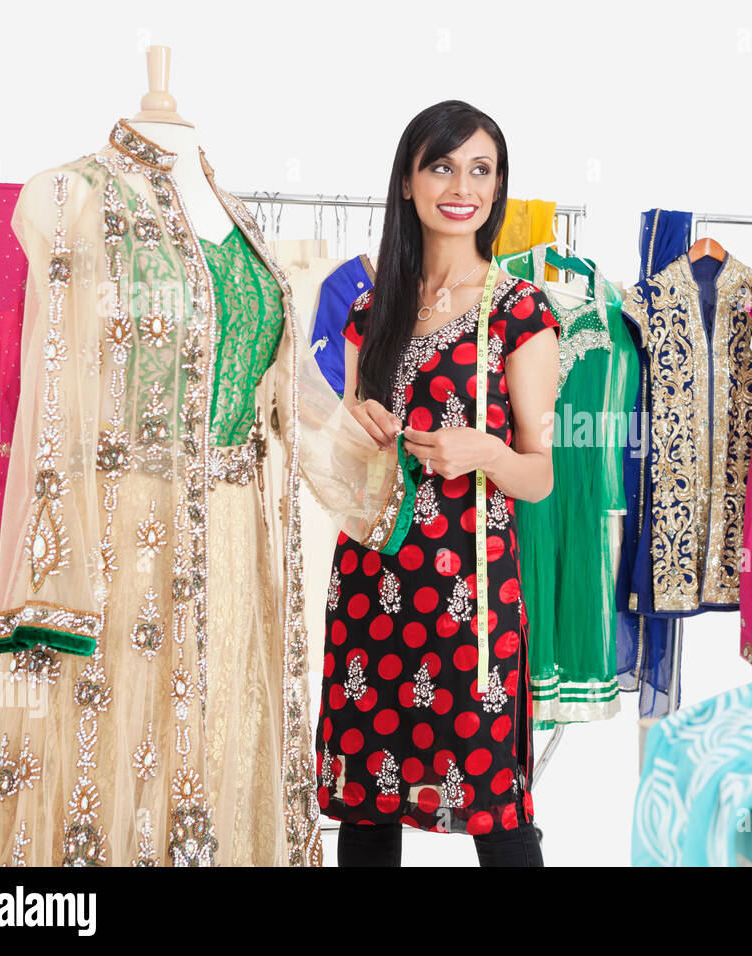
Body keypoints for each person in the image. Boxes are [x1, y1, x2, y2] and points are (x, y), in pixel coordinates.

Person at [315, 100, 560, 867]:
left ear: (498, 188)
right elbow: (346, 458)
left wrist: (484, 452)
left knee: (496, 806)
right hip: (368, 583)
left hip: (469, 602)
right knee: (365, 803)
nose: (464, 185)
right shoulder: (369, 310)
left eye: (481, 169)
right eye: (444, 166)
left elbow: (542, 476)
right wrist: (360, 432)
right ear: (409, 182)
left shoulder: (520, 311)